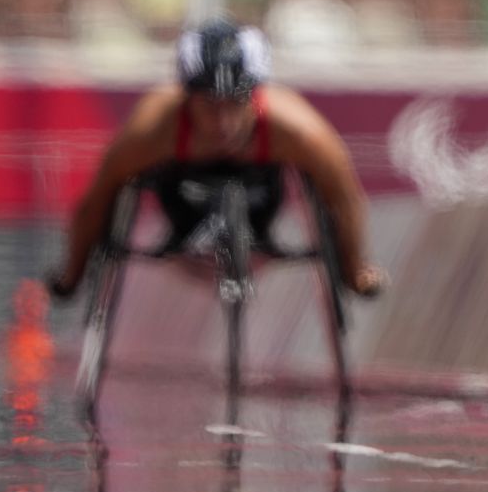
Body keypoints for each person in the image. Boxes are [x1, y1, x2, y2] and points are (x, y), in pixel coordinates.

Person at [47, 17, 386, 300]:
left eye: (235, 103)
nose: (222, 122)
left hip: (261, 200)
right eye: (210, 105)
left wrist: (354, 270)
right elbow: (97, 200)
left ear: (255, 95)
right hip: (181, 197)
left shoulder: (299, 130)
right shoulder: (152, 128)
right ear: (186, 98)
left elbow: (344, 196)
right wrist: (72, 275)